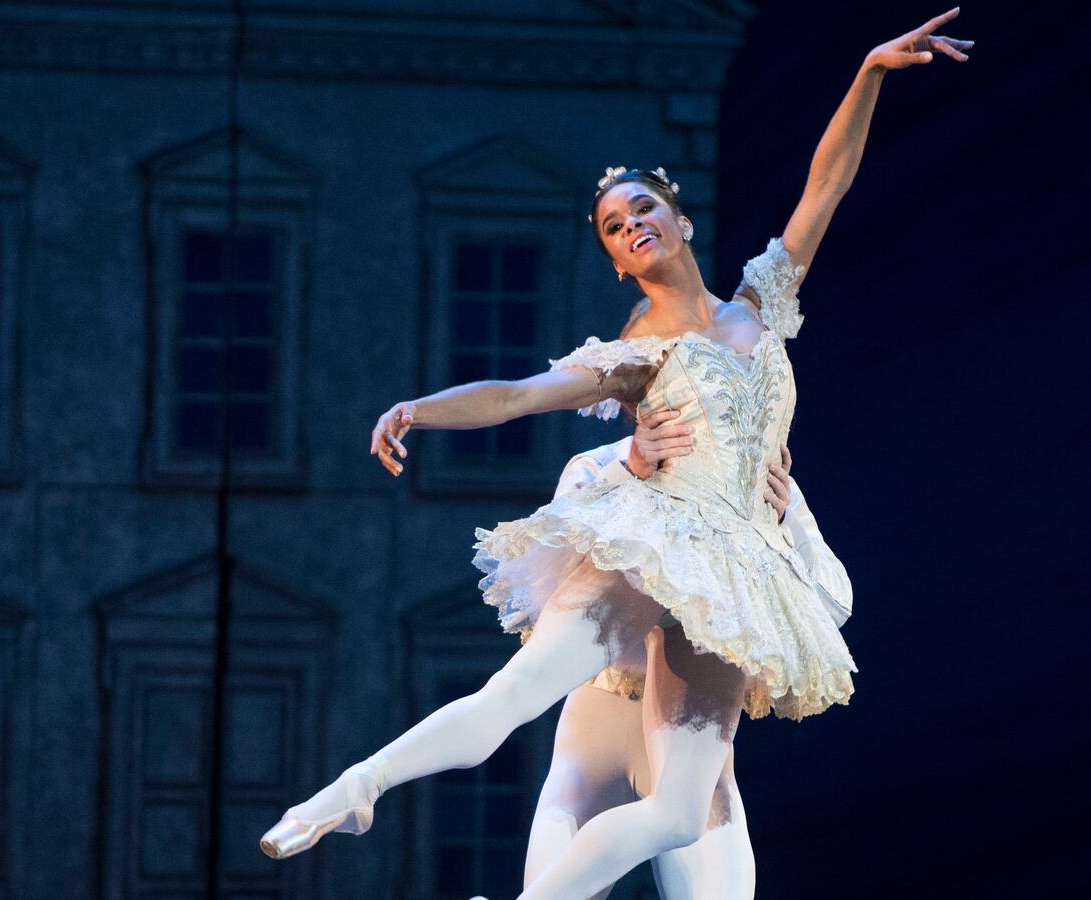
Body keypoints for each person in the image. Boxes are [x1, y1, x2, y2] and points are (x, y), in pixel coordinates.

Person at [261, 10, 970, 899]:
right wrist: (419, 409)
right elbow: (518, 395)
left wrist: (867, 71)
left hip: (736, 575)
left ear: (678, 219)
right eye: (611, 225)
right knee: (509, 702)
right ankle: (354, 790)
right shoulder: (634, 353)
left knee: (680, 813)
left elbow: (824, 188)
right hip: (657, 544)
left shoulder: (763, 306)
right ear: (615, 259)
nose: (631, 223)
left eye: (643, 208)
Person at [523, 411, 851, 900]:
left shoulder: (761, 484)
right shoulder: (599, 464)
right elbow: (551, 585)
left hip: (695, 737)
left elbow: (836, 604)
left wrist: (783, 529)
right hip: (600, 726)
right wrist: (628, 474)